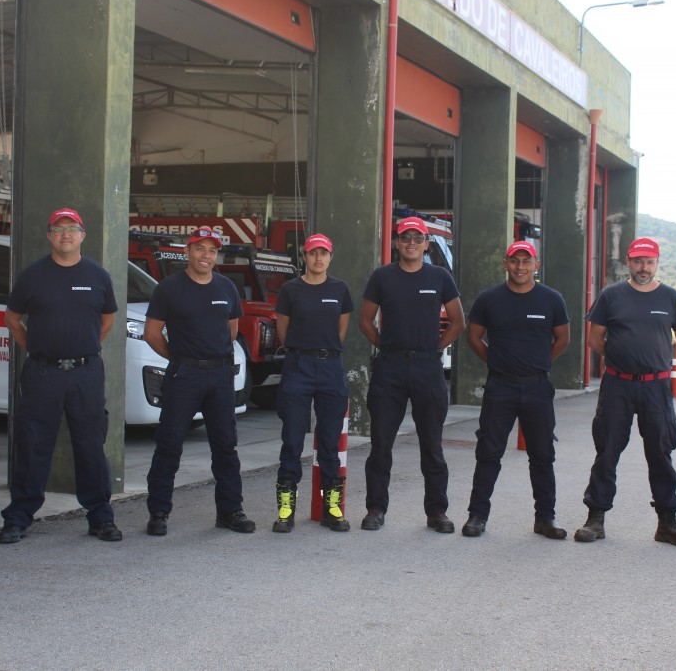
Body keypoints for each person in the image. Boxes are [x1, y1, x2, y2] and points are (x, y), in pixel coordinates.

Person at [0, 207, 122, 544]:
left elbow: (107, 319)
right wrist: (37, 348)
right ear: (49, 236)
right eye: (58, 229)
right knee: (33, 444)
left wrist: (85, 347)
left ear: (83, 235)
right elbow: (12, 318)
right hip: (43, 373)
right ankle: (18, 517)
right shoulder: (32, 276)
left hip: (85, 374)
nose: (65, 234)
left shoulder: (98, 276)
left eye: (72, 229)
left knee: (90, 445)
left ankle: (100, 517)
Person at [575, 237, 676, 547]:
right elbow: (595, 339)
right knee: (607, 451)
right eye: (638, 261)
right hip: (618, 385)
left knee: (660, 453)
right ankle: (595, 519)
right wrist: (622, 358)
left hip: (656, 388)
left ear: (657, 264)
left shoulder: (671, 298)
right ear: (628, 262)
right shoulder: (611, 296)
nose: (644, 267)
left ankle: (667, 523)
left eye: (649, 262)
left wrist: (659, 359)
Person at [143, 226, 255, 535]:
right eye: (200, 248)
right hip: (185, 375)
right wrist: (180, 358)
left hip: (220, 375)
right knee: (169, 444)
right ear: (188, 252)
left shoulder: (227, 287)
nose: (206, 255)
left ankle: (230, 511)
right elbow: (151, 334)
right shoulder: (169, 288)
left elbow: (231, 331)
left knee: (225, 446)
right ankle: (158, 512)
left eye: (212, 250)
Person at [358, 216, 465, 532]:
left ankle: (437, 512)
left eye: (418, 238)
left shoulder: (440, 276)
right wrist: (385, 346)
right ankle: (376, 508)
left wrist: (435, 348)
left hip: (427, 368)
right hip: (389, 368)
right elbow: (365, 321)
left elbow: (458, 322)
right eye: (405, 237)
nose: (411, 243)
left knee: (432, 445)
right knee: (381, 444)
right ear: (397, 242)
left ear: (426, 244)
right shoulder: (382, 277)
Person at [461, 241, 570, 539]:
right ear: (505, 264)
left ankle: (545, 518)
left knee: (542, 454)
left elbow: (563, 338)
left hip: (537, 387)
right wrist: (495, 362)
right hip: (500, 387)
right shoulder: (489, 299)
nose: (520, 266)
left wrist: (541, 362)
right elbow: (474, 337)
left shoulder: (551, 299)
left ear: (536, 265)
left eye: (526, 261)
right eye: (514, 260)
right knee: (488, 452)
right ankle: (477, 516)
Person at [272, 233, 355, 533]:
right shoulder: (290, 289)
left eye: (323, 253)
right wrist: (303, 351)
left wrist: (323, 351)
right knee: (292, 440)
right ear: (304, 257)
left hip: (330, 367)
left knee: (330, 442)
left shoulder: (340, 289)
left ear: (330, 257)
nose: (318, 258)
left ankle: (331, 507)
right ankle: (286, 510)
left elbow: (340, 330)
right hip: (298, 366)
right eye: (312, 253)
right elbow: (284, 330)